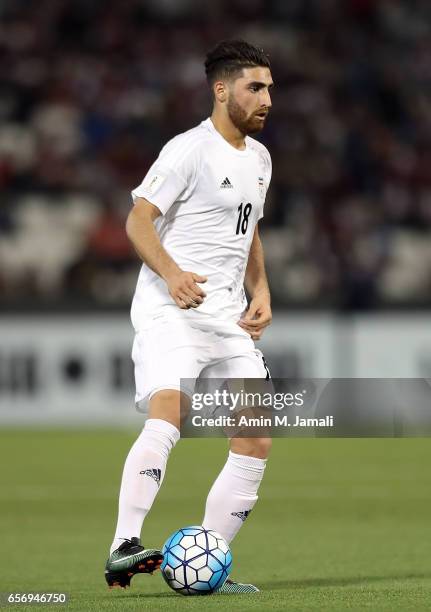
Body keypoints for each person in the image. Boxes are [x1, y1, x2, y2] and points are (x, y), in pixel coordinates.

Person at [105, 39, 274, 594]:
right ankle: (124, 546)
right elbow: (138, 220)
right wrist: (174, 274)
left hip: (227, 318)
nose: (267, 98)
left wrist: (261, 288)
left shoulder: (261, 159)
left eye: (269, 87)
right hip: (172, 308)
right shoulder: (188, 150)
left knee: (256, 434)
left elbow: (247, 230)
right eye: (255, 87)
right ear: (221, 90)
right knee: (170, 413)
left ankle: (207, 559)